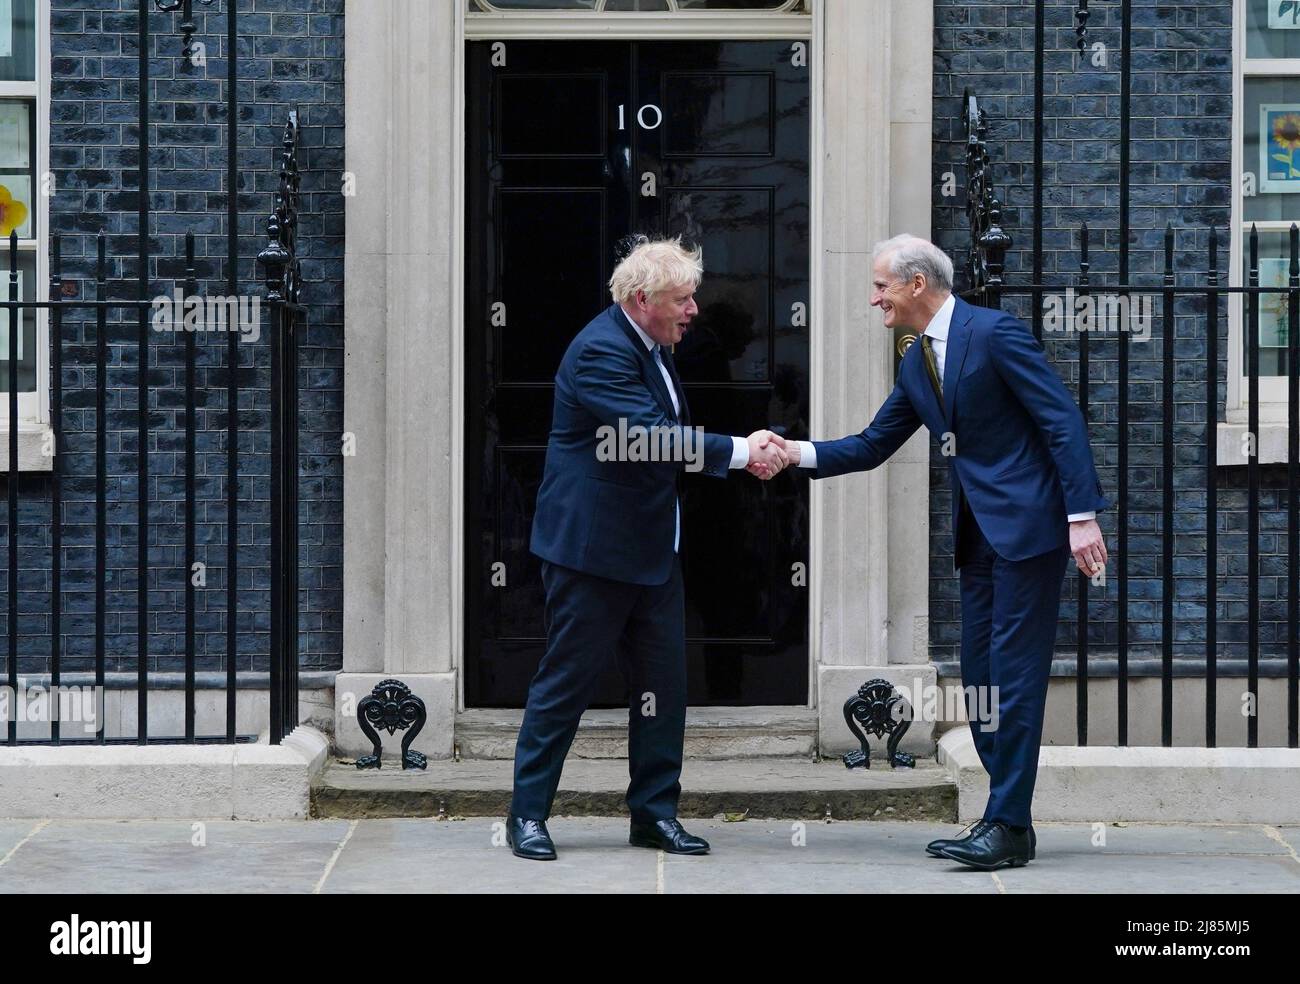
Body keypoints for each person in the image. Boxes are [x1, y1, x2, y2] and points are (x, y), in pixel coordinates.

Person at [760, 234, 1108, 870]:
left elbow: (1062, 420)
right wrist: (792, 454)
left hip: (1030, 532)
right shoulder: (915, 360)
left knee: (1014, 679)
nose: (874, 299)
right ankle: (1011, 824)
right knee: (978, 679)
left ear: (917, 284)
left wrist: (1081, 517)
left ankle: (1004, 823)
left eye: (881, 286)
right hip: (977, 539)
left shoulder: (995, 333)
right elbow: (871, 444)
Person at [506, 235, 788, 861]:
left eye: (692, 298)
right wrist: (743, 452)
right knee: (565, 685)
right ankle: (526, 816)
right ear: (642, 300)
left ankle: (654, 816)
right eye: (683, 300)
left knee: (663, 687)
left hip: (654, 552)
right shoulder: (601, 352)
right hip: (592, 554)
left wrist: (754, 441)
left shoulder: (651, 344)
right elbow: (649, 439)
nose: (693, 310)